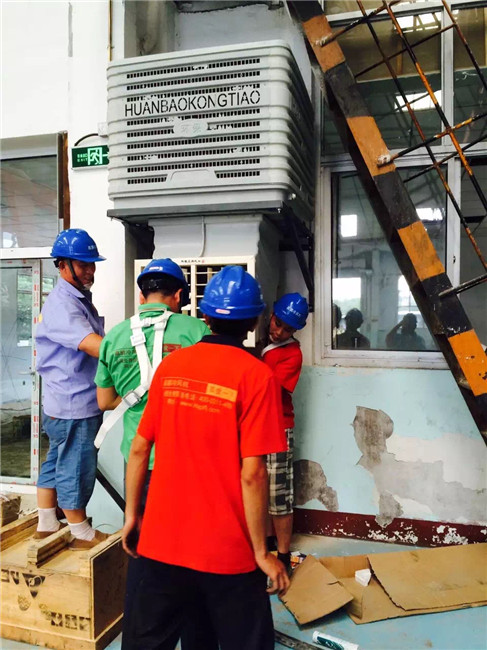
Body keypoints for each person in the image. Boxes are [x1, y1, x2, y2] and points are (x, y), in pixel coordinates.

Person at [122, 265, 290, 650]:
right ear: (254, 322)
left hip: (161, 545)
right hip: (227, 552)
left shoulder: (171, 366)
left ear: (205, 315)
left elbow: (139, 448)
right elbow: (253, 473)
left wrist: (132, 515)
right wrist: (262, 553)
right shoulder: (257, 376)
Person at [94, 257, 210, 650]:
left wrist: (136, 398)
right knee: (193, 555)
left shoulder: (114, 337)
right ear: (178, 295)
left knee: (144, 554)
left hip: (139, 465)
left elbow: (104, 401)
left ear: (142, 296)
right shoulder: (196, 330)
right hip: (187, 463)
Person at [35, 228, 108, 548]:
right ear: (63, 264)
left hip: (61, 400)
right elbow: (93, 345)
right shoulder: (63, 304)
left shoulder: (75, 299)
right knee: (76, 465)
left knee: (56, 460)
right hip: (74, 403)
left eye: (92, 264)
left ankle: (46, 523)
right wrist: (134, 352)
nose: (90, 270)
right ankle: (80, 532)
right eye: (83, 264)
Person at [262, 293, 308, 571]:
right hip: (256, 427)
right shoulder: (264, 345)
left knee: (278, 496)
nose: (279, 331)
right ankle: (266, 546)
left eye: (287, 329)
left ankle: (282, 556)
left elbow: (271, 392)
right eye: (277, 323)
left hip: (278, 429)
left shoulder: (292, 354)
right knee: (258, 491)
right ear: (271, 315)